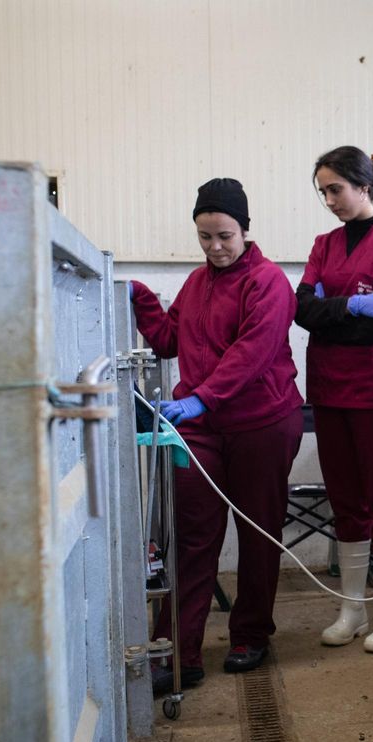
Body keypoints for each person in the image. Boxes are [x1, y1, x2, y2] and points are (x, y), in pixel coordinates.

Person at [130, 178, 303, 693]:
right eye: (205, 237)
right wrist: (136, 295)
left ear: (246, 230)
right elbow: (166, 340)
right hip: (201, 428)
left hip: (262, 422)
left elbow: (251, 355)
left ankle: (250, 633)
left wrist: (199, 398)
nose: (215, 247)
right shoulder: (195, 283)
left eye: (224, 235)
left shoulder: (269, 282)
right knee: (192, 536)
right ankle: (179, 653)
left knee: (257, 532)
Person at [294, 146, 373, 653]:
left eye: (336, 189)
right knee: (345, 499)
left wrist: (332, 309)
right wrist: (349, 304)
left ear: (364, 186)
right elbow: (302, 310)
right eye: (322, 191)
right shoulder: (324, 244)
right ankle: (350, 609)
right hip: (329, 389)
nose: (329, 201)